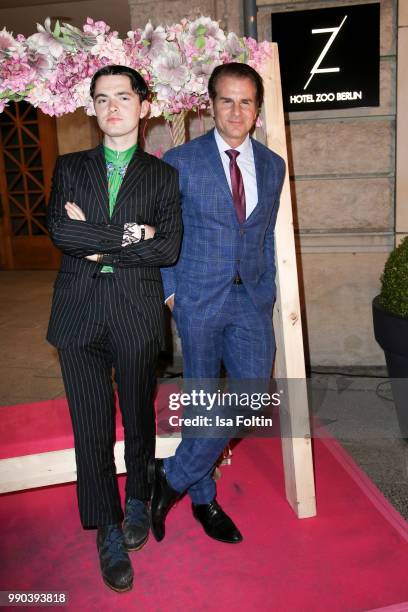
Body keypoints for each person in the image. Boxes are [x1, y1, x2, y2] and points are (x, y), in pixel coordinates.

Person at [46, 65, 181, 592]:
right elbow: (60, 230)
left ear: (143, 106)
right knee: (91, 425)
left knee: (138, 415)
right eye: (101, 99)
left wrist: (95, 239)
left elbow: (167, 247)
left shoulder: (163, 176)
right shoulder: (70, 166)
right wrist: (129, 234)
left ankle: (138, 499)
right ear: (92, 108)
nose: (112, 108)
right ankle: (105, 525)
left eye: (122, 97)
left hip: (136, 311)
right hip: (77, 313)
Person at [151, 62, 285, 544]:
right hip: (196, 299)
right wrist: (171, 292)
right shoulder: (181, 161)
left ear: (256, 109)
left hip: (250, 298)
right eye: (226, 100)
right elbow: (162, 234)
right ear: (210, 105)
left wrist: (266, 286)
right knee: (203, 404)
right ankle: (204, 499)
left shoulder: (273, 165)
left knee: (253, 397)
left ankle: (171, 477)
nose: (236, 110)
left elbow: (264, 233)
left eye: (245, 101)